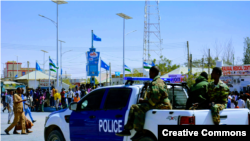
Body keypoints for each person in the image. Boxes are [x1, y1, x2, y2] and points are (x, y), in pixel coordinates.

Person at [116, 66, 172, 140]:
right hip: (165, 105)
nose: (149, 74)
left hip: (161, 105)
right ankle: (128, 129)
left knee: (135, 107)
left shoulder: (155, 83)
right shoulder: (161, 81)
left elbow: (155, 99)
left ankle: (138, 131)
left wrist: (143, 101)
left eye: (150, 73)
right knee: (140, 106)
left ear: (154, 73)